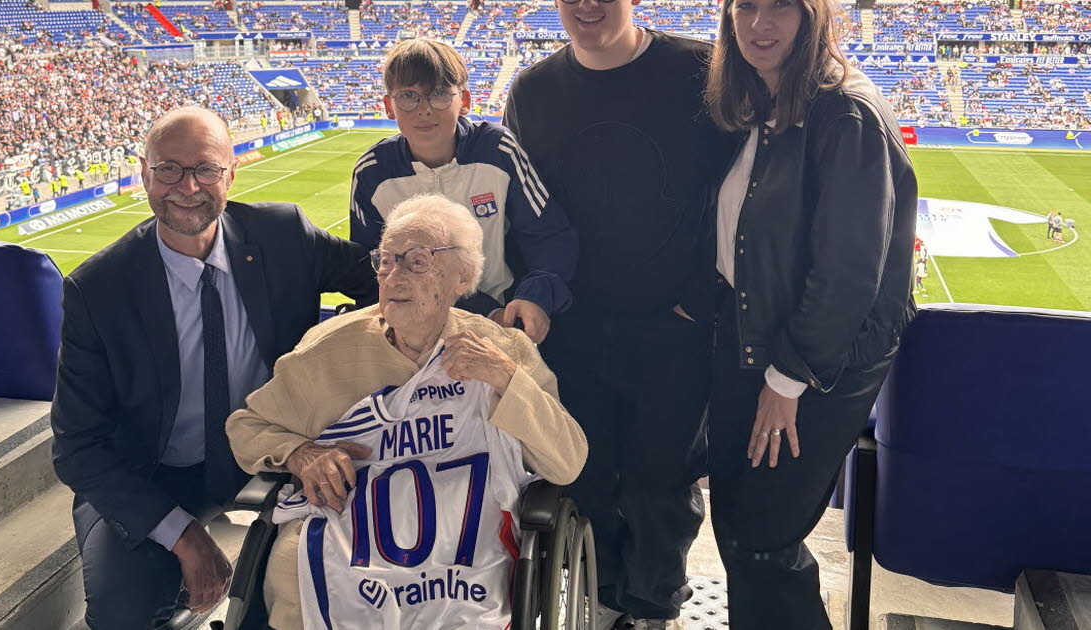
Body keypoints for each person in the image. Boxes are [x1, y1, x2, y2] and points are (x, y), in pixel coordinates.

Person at [49, 106, 377, 630]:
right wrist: (183, 536)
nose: (188, 186)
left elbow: (385, 284)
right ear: (144, 173)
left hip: (277, 450)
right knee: (122, 616)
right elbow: (76, 446)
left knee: (312, 590)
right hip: (155, 472)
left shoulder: (284, 234)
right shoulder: (99, 289)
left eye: (205, 169)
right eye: (169, 169)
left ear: (231, 173)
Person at [227, 194, 588, 630]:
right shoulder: (327, 350)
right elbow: (246, 426)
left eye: (417, 261)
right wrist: (300, 453)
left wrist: (508, 379)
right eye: (385, 261)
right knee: (291, 572)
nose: (394, 276)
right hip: (348, 544)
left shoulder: (503, 350)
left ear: (463, 276)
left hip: (464, 551)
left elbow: (567, 462)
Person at [501, 0, 736, 627]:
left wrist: (702, 296)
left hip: (673, 327)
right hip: (573, 331)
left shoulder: (700, 70)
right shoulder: (533, 91)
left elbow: (747, 186)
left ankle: (656, 604)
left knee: (662, 482)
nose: (587, 6)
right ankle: (604, 603)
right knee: (588, 474)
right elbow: (520, 212)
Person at [704, 0, 917, 625]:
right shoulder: (762, 101)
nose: (759, 24)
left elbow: (849, 272)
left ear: (813, 18)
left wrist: (788, 377)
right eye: (746, 6)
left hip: (812, 366)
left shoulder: (844, 111)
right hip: (755, 341)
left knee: (762, 537)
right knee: (742, 530)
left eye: (781, 9)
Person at [349, 38, 578, 343]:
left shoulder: (498, 151)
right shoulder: (372, 174)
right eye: (408, 97)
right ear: (389, 106)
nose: (424, 110)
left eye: (439, 94)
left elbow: (549, 235)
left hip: (498, 326)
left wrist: (536, 296)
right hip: (410, 335)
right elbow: (368, 268)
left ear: (465, 100)